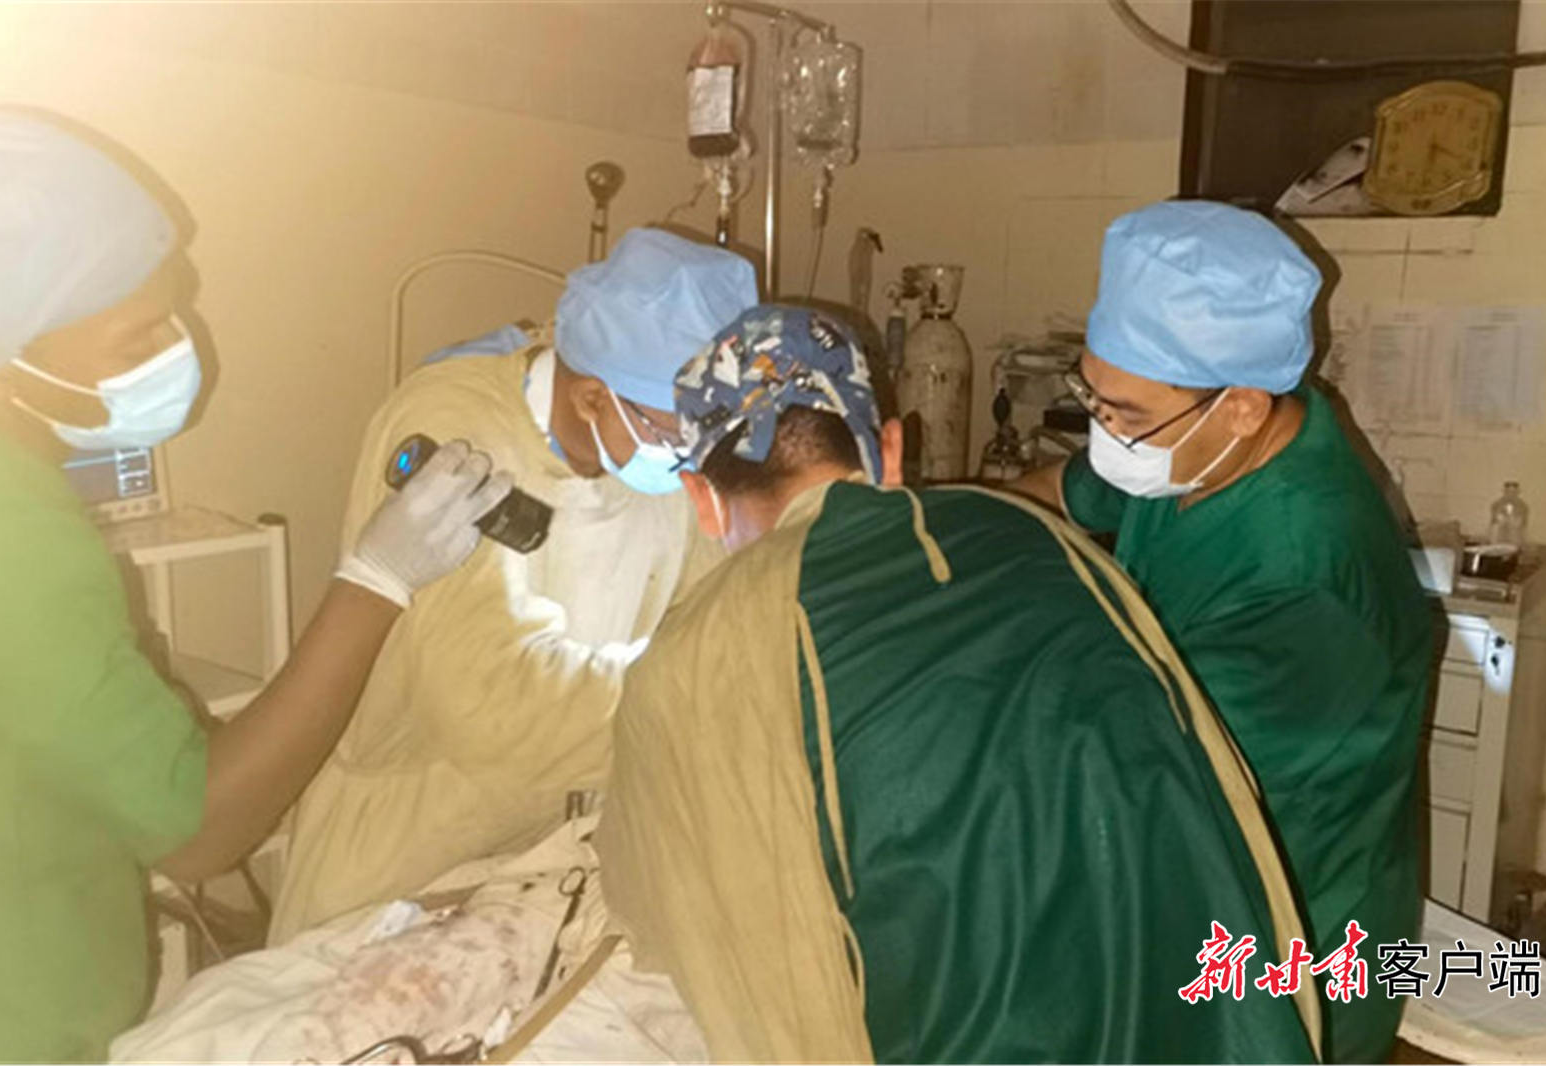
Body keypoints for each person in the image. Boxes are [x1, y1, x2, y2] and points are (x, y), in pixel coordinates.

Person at [595, 304, 1322, 1063]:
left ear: (700, 499)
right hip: (1195, 1011)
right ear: (893, 449)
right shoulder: (1034, 535)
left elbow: (663, 912)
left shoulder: (696, 657)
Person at [0, 110, 509, 1062]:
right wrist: (376, 582)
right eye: (136, 338)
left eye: (174, 311)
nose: (180, 350)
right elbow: (202, 833)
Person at [1011, 200, 1434, 1063]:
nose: (1104, 429)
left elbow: (1141, 770)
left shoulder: (1308, 573)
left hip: (1285, 943)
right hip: (1186, 879)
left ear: (1241, 407)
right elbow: (1058, 493)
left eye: (1125, 413)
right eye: (1092, 395)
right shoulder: (1187, 449)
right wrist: (916, 518)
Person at [269, 228, 755, 942]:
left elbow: (716, 613)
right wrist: (707, 696)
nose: (695, 459)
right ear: (592, 398)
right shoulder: (456, 434)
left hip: (563, 859)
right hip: (404, 865)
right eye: (679, 434)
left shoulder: (659, 441)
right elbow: (495, 707)